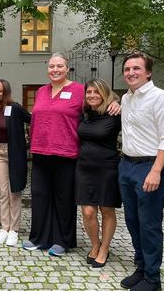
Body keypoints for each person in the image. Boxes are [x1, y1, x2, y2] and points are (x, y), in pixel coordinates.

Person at [24, 52, 120, 256]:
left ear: (67, 68)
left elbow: (101, 96)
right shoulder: (41, 91)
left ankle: (62, 240)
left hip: (67, 153)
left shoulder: (78, 90)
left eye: (59, 66)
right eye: (51, 66)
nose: (55, 70)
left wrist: (116, 102)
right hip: (40, 152)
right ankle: (39, 238)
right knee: (40, 196)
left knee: (63, 198)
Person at [118, 52, 164, 291]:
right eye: (127, 69)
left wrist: (156, 171)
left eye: (136, 68)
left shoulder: (160, 98)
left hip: (151, 166)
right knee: (132, 221)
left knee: (149, 223)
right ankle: (141, 268)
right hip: (127, 165)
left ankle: (153, 279)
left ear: (148, 72)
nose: (131, 73)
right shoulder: (126, 99)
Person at [74, 79, 121, 268]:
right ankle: (95, 245)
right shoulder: (84, 114)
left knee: (107, 210)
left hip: (107, 168)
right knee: (87, 211)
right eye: (89, 92)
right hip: (84, 167)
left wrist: (118, 102)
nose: (92, 95)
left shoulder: (115, 113)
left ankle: (104, 248)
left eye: (97, 92)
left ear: (105, 94)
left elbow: (134, 103)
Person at [0, 79, 31, 246]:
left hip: (15, 153)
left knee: (15, 191)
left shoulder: (14, 108)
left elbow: (34, 119)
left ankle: (14, 230)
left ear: (6, 93)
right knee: (3, 192)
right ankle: (4, 228)